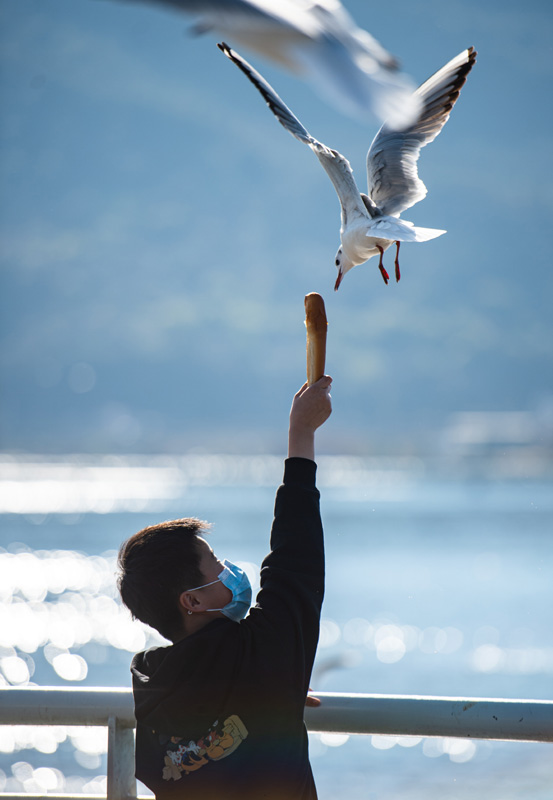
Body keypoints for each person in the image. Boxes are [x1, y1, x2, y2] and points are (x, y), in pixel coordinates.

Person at [117, 376, 333, 799]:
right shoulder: (264, 653)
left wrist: (276, 688)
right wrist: (300, 434)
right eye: (215, 563)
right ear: (192, 600)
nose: (229, 569)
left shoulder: (153, 685)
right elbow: (297, 558)